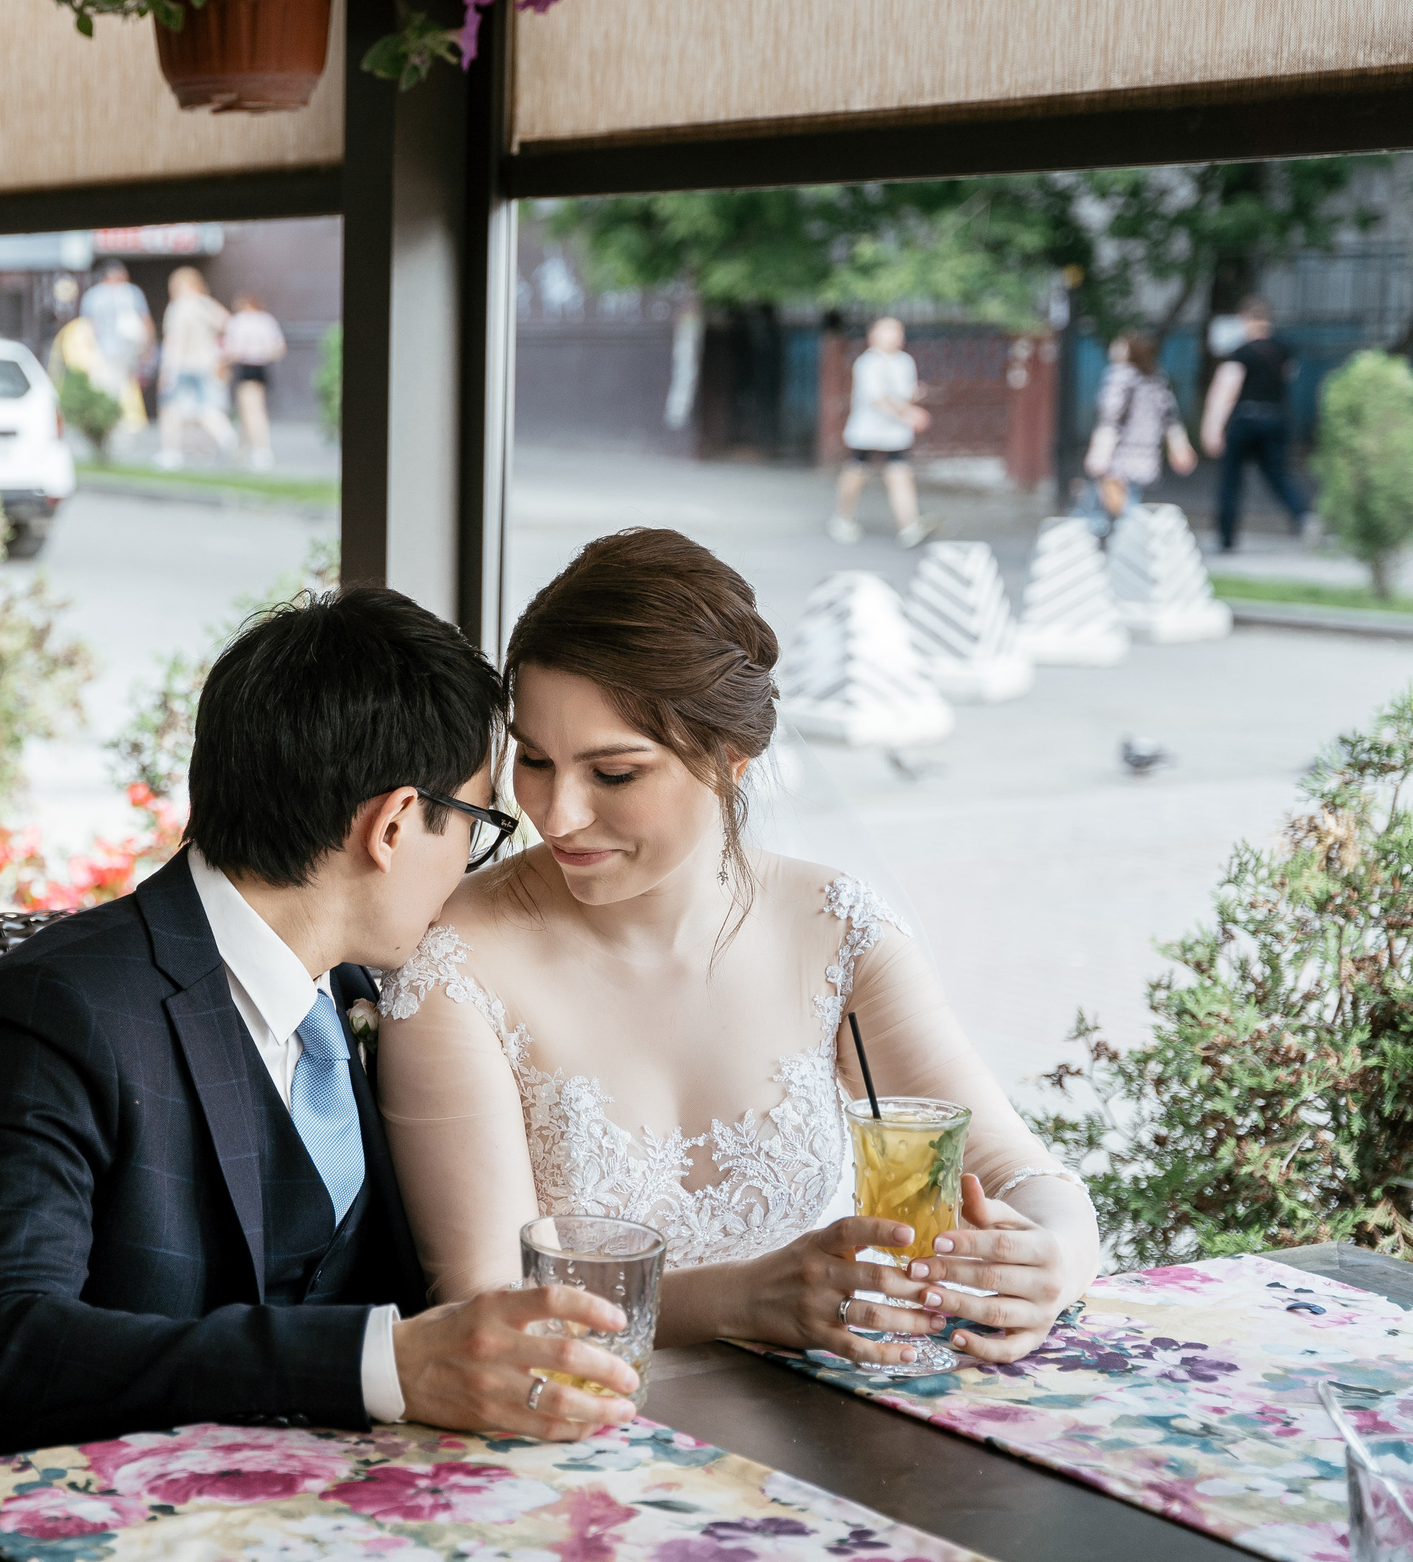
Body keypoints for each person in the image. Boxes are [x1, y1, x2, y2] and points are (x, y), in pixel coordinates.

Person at [0, 588, 643, 1474]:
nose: (470, 867)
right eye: (476, 826)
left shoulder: (371, 997)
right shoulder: (57, 1009)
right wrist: (379, 1364)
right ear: (391, 826)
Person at [376, 528, 1100, 1369]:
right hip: (573, 1435)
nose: (558, 813)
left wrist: (1052, 1256)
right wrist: (747, 1299)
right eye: (535, 761)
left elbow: (1017, 1171)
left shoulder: (838, 932)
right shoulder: (457, 966)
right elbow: (485, 1307)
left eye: (613, 774)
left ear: (728, 761)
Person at [1200, 296, 1313, 552]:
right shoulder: (1284, 349)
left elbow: (1226, 390)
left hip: (1245, 420)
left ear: (1245, 319)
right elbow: (1287, 378)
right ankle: (1303, 516)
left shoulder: (1241, 352)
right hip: (1276, 418)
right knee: (1277, 474)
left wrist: (1212, 427)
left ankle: (1226, 537)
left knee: (1231, 480)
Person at [829, 318, 939, 548]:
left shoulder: (904, 361)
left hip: (895, 431)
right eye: (889, 331)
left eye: (898, 331)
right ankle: (842, 518)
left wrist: (915, 397)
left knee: (900, 473)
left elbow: (905, 393)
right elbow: (878, 398)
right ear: (873, 335)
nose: (895, 336)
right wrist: (909, 414)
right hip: (867, 428)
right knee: (857, 472)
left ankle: (908, 525)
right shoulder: (867, 363)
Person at [1078, 331, 1196, 539]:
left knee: (1115, 510)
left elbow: (1110, 419)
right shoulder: (1156, 378)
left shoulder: (1120, 376)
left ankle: (1127, 546)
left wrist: (1099, 453)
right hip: (1147, 455)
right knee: (1129, 502)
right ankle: (1130, 543)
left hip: (1119, 456)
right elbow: (1170, 418)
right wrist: (1180, 447)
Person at [156, 266, 237, 469]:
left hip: (182, 366)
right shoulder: (205, 304)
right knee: (205, 407)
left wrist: (167, 371)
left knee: (171, 410)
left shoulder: (178, 307)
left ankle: (170, 454)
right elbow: (228, 324)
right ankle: (226, 436)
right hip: (206, 365)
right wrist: (220, 352)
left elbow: (174, 342)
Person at [78, 260, 154, 439]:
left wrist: (146, 349)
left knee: (114, 389)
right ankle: (111, 427)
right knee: (112, 389)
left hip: (122, 351)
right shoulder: (102, 295)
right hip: (108, 351)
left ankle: (112, 426)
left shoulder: (126, 293)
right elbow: (89, 327)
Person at [222, 295, 289, 471]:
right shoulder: (266, 320)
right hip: (262, 367)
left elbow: (233, 349)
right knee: (248, 408)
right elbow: (278, 348)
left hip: (246, 367)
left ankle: (261, 450)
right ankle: (240, 450)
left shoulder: (238, 321)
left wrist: (222, 362)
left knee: (252, 409)